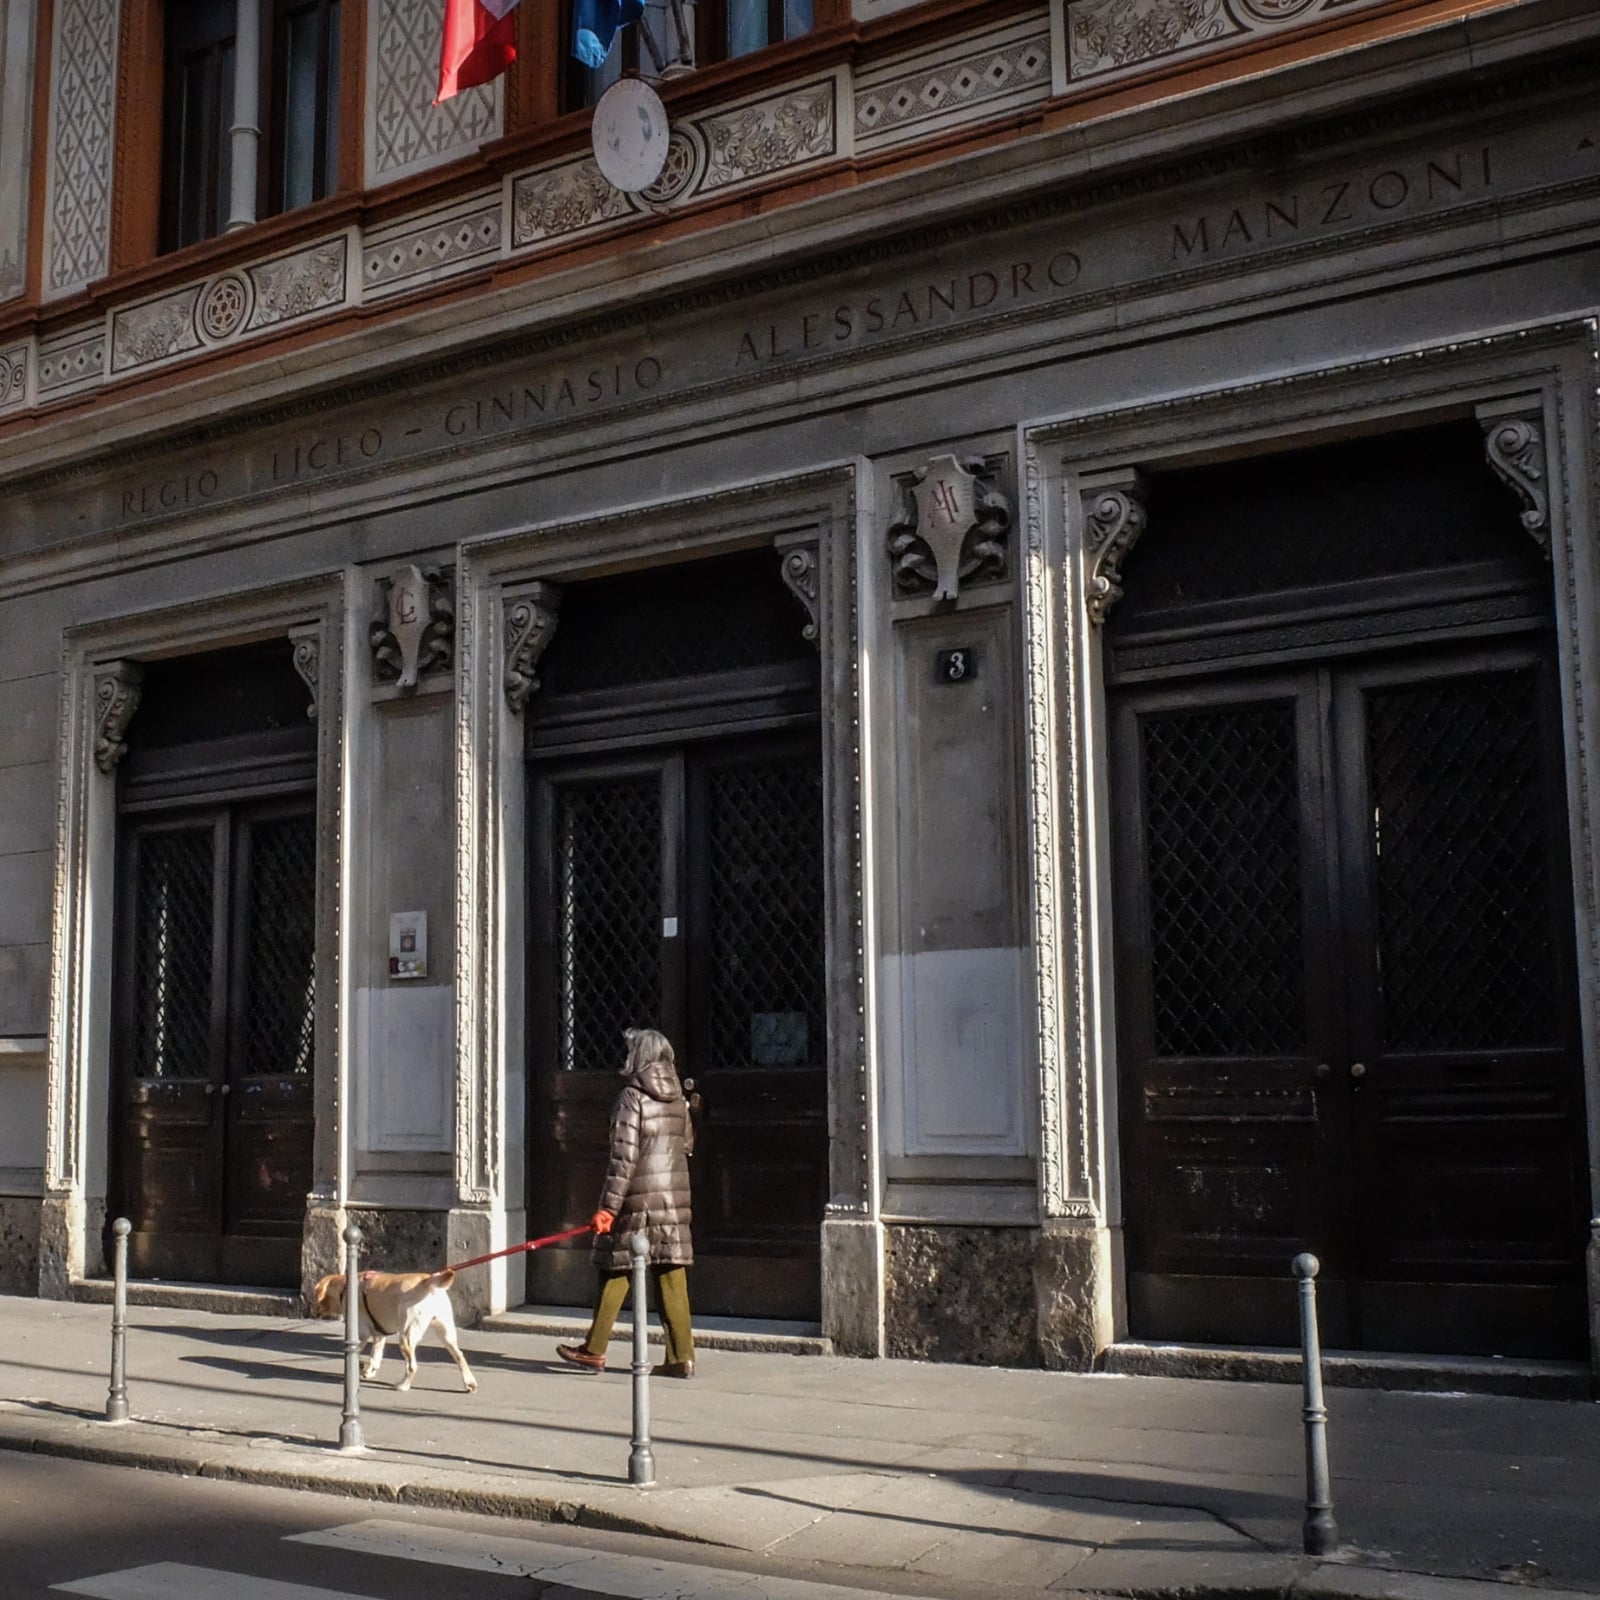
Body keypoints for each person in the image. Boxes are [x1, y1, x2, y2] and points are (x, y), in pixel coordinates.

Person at [556, 1027, 696, 1378]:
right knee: (670, 1271)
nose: (624, 1057)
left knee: (614, 1267)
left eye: (629, 1050)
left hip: (636, 1197)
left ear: (640, 1056)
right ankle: (682, 1356)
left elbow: (623, 1158)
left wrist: (607, 1208)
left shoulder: (631, 1097)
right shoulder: (678, 1098)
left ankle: (595, 1348)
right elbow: (687, 1145)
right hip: (673, 1196)